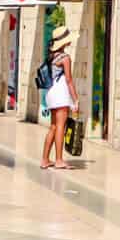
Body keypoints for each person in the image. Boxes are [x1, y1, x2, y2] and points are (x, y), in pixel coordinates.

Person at [40, 26, 79, 169]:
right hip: (61, 94)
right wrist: (75, 99)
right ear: (64, 42)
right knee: (61, 127)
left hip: (50, 94)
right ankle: (59, 160)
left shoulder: (51, 56)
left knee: (53, 127)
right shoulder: (65, 58)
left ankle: (45, 159)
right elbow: (69, 80)